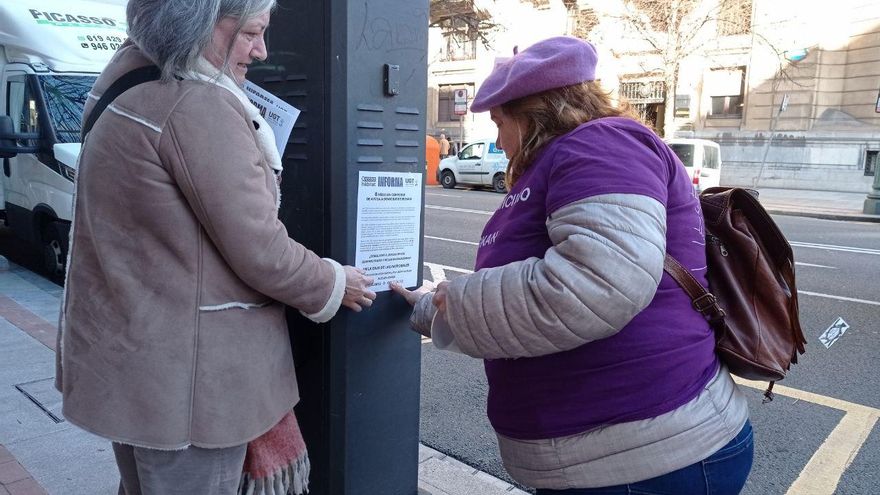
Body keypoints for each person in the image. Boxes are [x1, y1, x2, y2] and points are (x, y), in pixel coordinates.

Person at [392, 36, 752, 495]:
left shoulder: (603, 143)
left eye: (501, 122)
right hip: (617, 456)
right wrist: (435, 308)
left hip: (647, 463)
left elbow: (597, 283)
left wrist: (448, 303)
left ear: (536, 112)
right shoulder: (571, 157)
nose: (499, 141)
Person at [55, 1, 376, 494]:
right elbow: (260, 248)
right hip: (190, 391)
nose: (262, 50)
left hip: (137, 365)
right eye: (251, 31)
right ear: (199, 21)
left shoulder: (125, 81)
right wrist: (334, 282)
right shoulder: (193, 103)